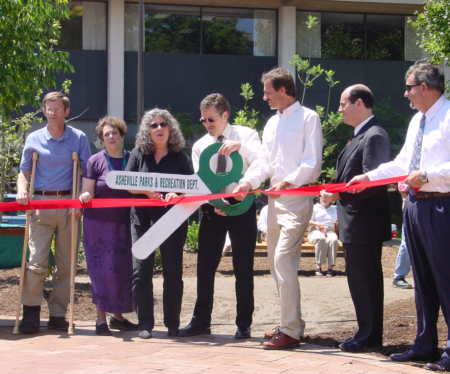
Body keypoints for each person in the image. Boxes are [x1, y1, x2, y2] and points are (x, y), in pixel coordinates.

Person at [347, 61, 450, 371]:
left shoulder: (447, 117)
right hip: (416, 206)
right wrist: (369, 177)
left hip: (442, 205)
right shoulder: (417, 121)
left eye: (409, 87)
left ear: (425, 88)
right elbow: (403, 163)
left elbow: (426, 169)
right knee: (423, 281)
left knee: (445, 280)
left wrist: (428, 174)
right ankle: (424, 345)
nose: (405, 93)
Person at [234, 67, 323, 349]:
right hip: (273, 203)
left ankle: (291, 331)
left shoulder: (309, 118)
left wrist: (287, 182)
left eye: (268, 92)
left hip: (296, 200)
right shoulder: (272, 123)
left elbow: (313, 164)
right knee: (275, 265)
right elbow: (265, 162)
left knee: (283, 261)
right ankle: (289, 323)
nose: (264, 97)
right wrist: (247, 182)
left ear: (284, 90)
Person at [178, 93, 262, 340]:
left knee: (243, 268)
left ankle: (244, 323)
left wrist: (241, 148)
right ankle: (201, 322)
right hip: (213, 210)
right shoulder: (201, 145)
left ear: (225, 115)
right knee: (204, 267)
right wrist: (212, 202)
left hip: (243, 207)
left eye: (211, 119)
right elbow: (200, 181)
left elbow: (263, 162)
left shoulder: (246, 135)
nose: (207, 124)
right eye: (203, 120)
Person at [320, 84, 391, 352]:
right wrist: (331, 192)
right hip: (355, 224)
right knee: (358, 282)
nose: (339, 110)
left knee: (366, 282)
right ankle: (365, 333)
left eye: (342, 104)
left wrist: (339, 197)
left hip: (365, 224)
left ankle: (369, 337)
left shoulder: (374, 135)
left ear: (359, 103)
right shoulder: (358, 135)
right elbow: (349, 178)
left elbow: (374, 182)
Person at [16, 92, 91, 334]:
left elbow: (87, 172)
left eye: (57, 108)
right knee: (36, 261)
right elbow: (24, 172)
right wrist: (21, 190)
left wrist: (81, 198)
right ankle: (30, 311)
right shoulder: (34, 138)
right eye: (48, 108)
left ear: (66, 111)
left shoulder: (78, 138)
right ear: (44, 110)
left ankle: (58, 314)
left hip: (69, 204)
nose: (53, 112)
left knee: (66, 264)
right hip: (41, 203)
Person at [126, 108, 193, 339]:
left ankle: (172, 325)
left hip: (172, 223)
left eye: (163, 124)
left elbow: (190, 188)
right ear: (147, 130)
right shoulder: (137, 154)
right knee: (141, 273)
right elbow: (126, 182)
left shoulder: (181, 157)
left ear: (170, 128)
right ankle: (144, 324)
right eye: (153, 125)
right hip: (141, 222)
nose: (159, 129)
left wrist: (177, 194)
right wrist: (145, 191)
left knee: (173, 275)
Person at [79, 116, 137, 336]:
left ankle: (118, 317)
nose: (111, 137)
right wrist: (84, 195)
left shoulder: (132, 159)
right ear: (102, 139)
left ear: (122, 135)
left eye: (114, 133)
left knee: (123, 270)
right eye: (106, 134)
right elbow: (88, 191)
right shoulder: (95, 161)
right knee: (102, 271)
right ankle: (101, 319)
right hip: (98, 226)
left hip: (125, 225)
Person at [308, 196, 338, 277]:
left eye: (327, 197)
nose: (324, 199)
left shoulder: (335, 209)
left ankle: (330, 268)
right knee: (320, 238)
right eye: (322, 197)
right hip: (316, 230)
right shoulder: (314, 208)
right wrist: (317, 224)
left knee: (333, 240)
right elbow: (307, 220)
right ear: (319, 198)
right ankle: (318, 266)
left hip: (330, 230)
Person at [392, 182, 412, 289]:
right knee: (408, 241)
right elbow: (403, 180)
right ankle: (399, 276)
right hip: (413, 201)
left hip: (439, 201)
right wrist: (405, 199)